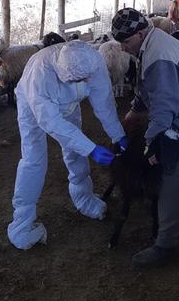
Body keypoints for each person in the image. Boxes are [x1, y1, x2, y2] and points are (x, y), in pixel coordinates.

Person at [111, 8, 179, 268]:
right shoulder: (150, 45)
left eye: (126, 43)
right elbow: (148, 87)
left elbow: (164, 104)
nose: (124, 49)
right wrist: (135, 110)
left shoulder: (158, 54)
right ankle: (163, 214)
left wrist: (151, 144)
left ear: (139, 33)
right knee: (161, 160)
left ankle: (165, 245)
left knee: (176, 173)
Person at [7, 40, 128, 250]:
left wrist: (118, 135)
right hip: (32, 104)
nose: (80, 81)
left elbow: (104, 103)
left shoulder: (94, 62)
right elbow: (51, 122)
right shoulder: (40, 75)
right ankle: (22, 224)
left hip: (69, 104)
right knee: (34, 159)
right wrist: (91, 148)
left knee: (74, 151)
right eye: (74, 79)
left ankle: (84, 198)